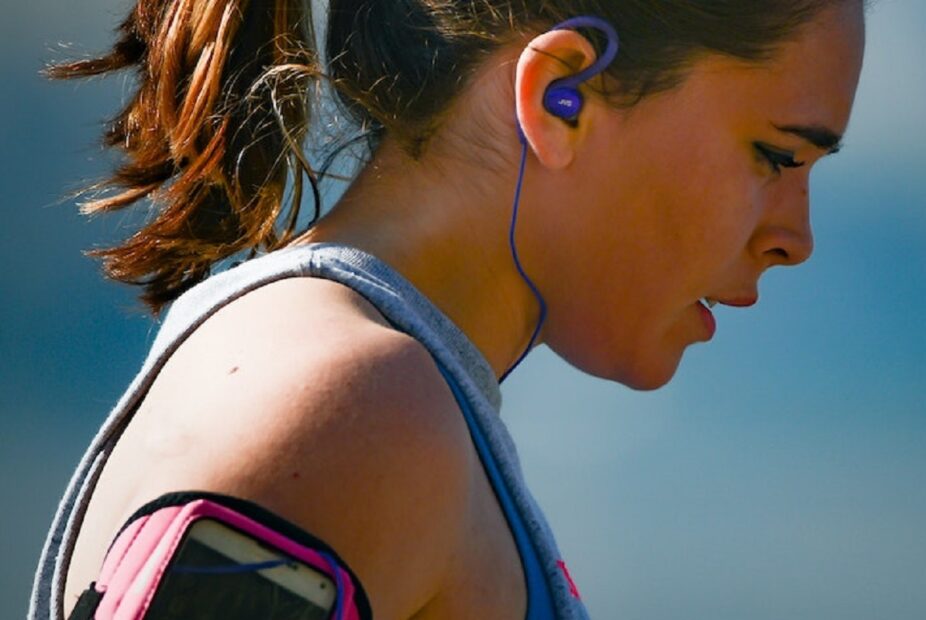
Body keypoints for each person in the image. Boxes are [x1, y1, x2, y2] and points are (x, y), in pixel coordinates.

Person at [31, 0, 866, 618]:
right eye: (776, 155)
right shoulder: (354, 410)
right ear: (560, 95)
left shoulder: (372, 397)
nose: (796, 238)